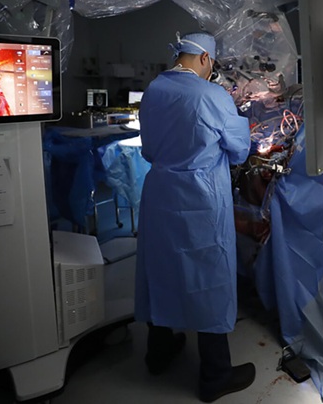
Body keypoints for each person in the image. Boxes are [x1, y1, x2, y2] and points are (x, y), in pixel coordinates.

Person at [135, 32, 254, 402]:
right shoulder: (212, 95)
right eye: (212, 64)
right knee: (209, 276)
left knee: (161, 267)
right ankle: (215, 375)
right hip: (201, 198)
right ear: (205, 58)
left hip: (160, 195)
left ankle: (158, 353)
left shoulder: (153, 90)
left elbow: (149, 150)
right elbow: (239, 149)